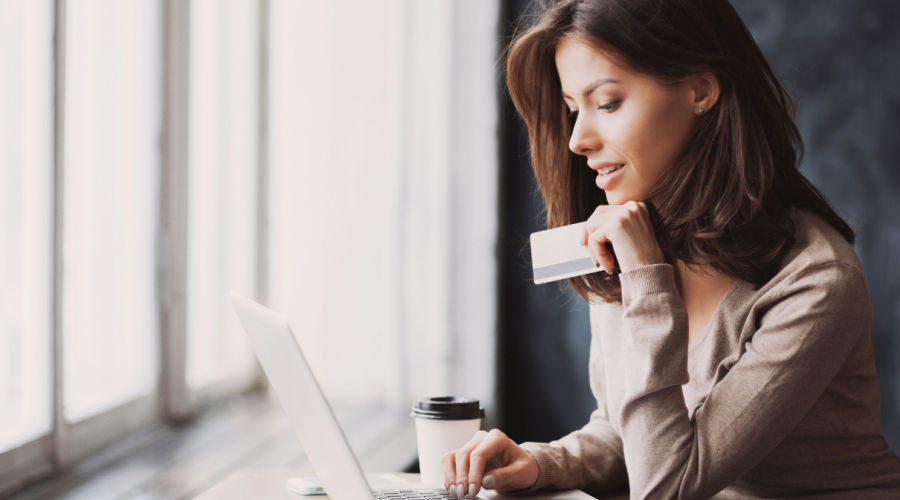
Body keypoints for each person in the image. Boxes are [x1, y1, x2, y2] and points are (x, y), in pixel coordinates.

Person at [441, 0, 900, 499]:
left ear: (700, 90)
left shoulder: (815, 281)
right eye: (574, 109)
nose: (577, 139)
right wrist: (541, 462)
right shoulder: (632, 237)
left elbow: (666, 487)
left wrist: (646, 282)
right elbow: (631, 432)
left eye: (609, 102)